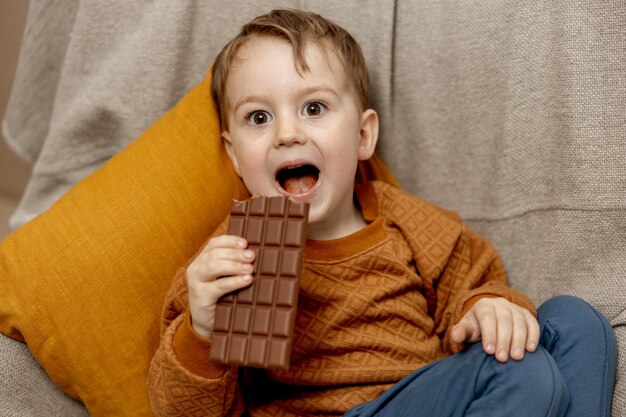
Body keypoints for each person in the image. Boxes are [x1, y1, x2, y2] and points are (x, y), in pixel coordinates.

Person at [148, 9, 616, 417]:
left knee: (577, 324)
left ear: (363, 137)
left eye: (313, 107)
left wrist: (488, 309)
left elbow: (475, 287)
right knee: (523, 376)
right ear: (234, 156)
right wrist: (202, 330)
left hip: (429, 398)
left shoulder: (410, 226)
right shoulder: (227, 260)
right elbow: (180, 409)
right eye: (259, 117)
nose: (287, 133)